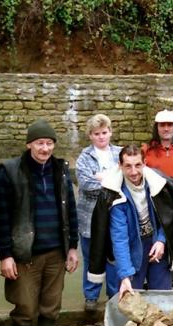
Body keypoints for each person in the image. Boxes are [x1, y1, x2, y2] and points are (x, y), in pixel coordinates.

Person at [0, 118, 79, 326]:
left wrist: (72, 247)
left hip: (56, 253)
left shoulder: (61, 169)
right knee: (24, 311)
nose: (45, 148)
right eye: (40, 143)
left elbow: (71, 210)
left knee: (50, 308)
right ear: (29, 144)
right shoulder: (10, 171)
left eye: (49, 143)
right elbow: (1, 217)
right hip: (23, 256)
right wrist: (5, 254)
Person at [88, 144, 173, 299]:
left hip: (155, 243)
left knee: (162, 296)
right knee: (132, 297)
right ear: (120, 166)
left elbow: (167, 217)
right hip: (132, 246)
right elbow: (119, 238)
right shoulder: (115, 194)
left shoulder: (158, 184)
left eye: (138, 165)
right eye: (128, 166)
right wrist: (125, 276)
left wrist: (161, 241)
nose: (134, 172)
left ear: (145, 164)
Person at [76, 114, 121, 312]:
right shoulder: (84, 157)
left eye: (104, 132)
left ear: (110, 132)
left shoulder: (120, 154)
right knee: (91, 257)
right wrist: (112, 180)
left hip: (115, 215)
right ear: (90, 136)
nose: (101, 137)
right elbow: (86, 185)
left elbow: (127, 179)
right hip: (90, 218)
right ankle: (91, 297)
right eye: (97, 134)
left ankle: (114, 295)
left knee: (114, 257)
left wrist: (101, 177)